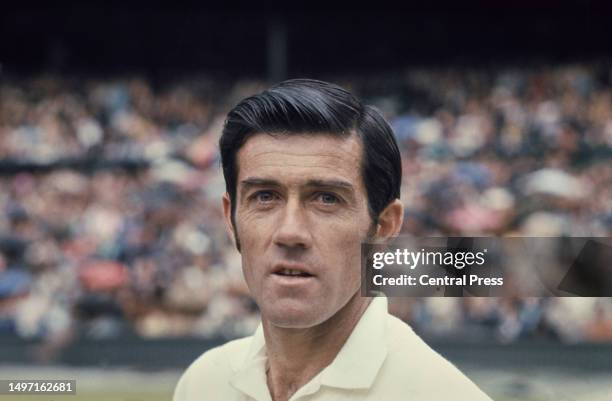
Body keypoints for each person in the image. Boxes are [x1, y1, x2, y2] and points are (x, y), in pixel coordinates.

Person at [173, 79, 492, 401]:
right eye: (265, 196)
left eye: (326, 199)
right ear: (231, 218)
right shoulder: (203, 383)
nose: (290, 232)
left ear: (383, 226)